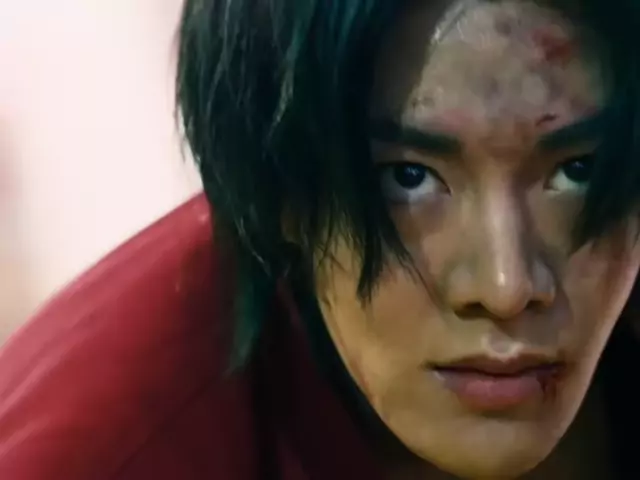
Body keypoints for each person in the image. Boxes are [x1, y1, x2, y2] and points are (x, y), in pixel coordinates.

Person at [1, 0, 640, 478]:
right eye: (409, 177)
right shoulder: (104, 453)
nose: (506, 287)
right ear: (276, 184)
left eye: (577, 170)